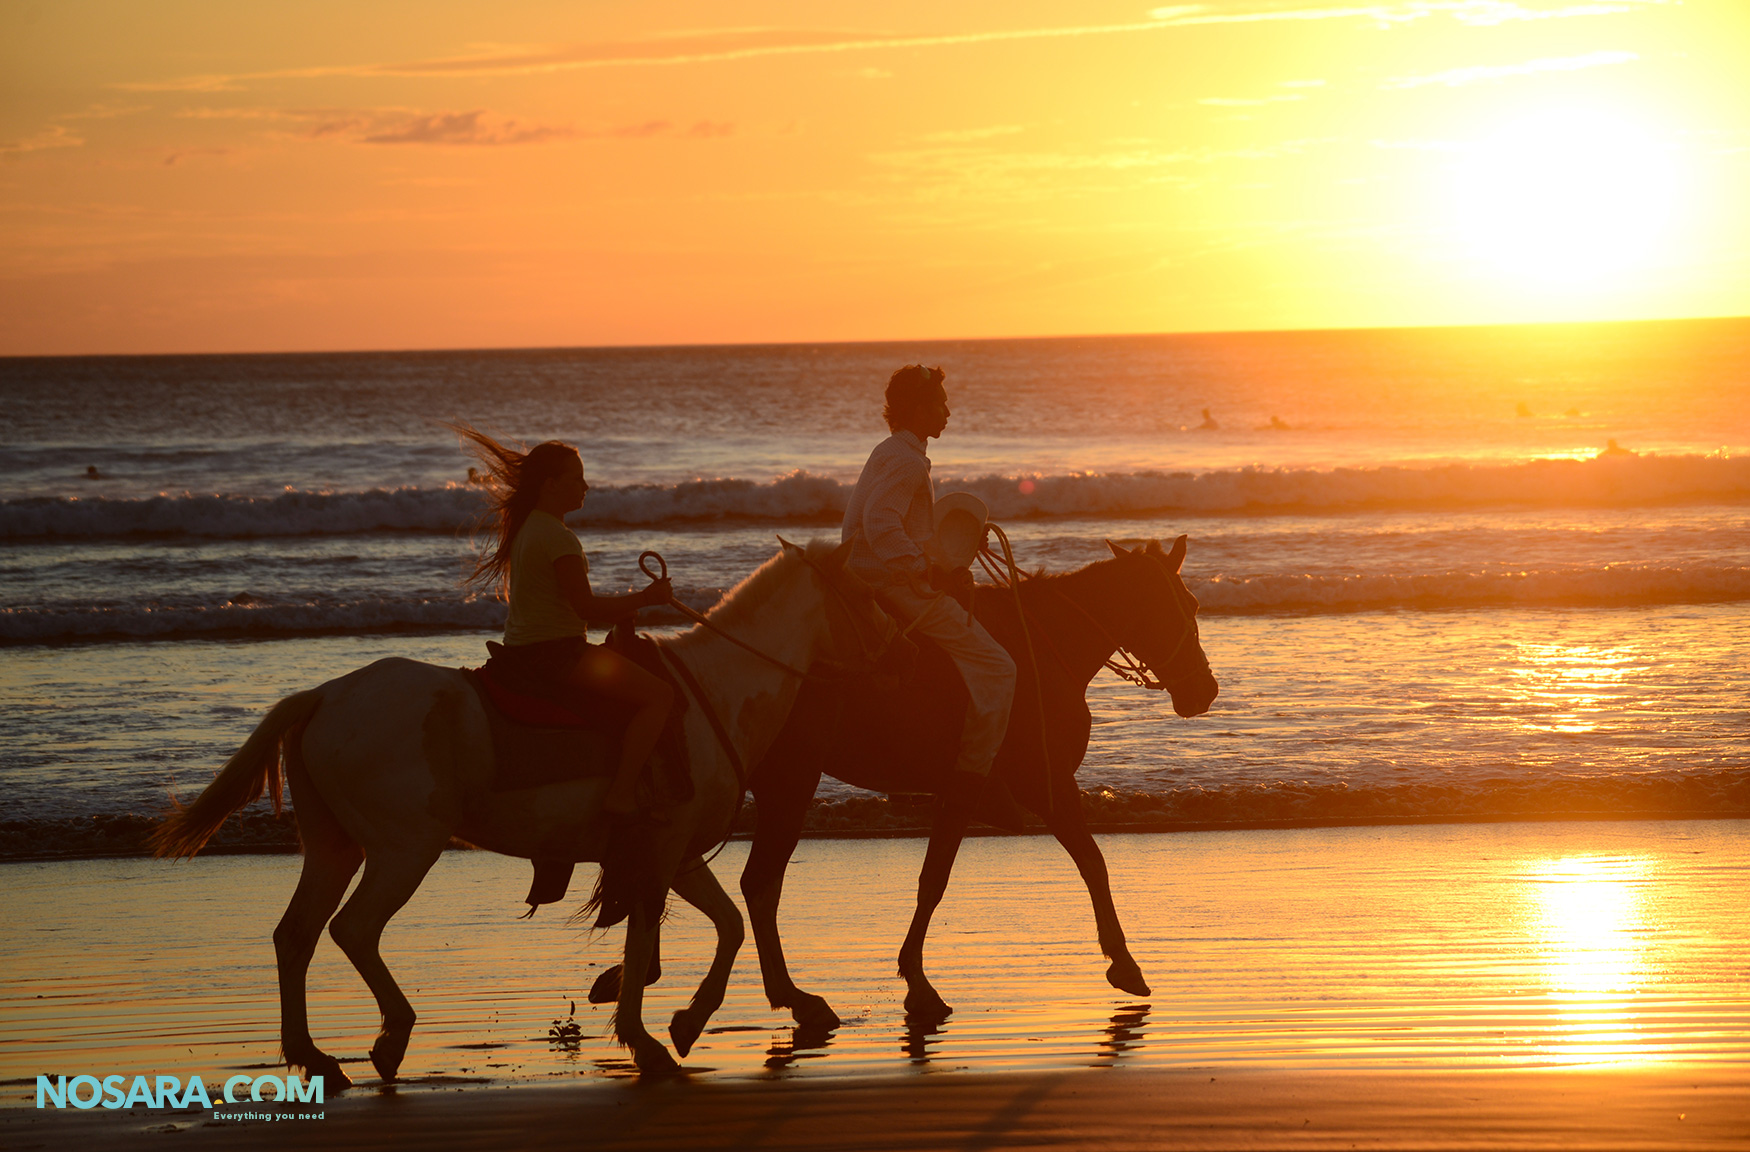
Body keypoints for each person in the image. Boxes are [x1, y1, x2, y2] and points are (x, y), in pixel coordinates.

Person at [454, 427, 673, 817]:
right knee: (661, 696)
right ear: (552, 485)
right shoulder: (557, 537)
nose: (586, 486)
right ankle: (622, 794)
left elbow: (562, 604)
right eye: (577, 478)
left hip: (523, 652)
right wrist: (647, 598)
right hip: (557, 655)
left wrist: (624, 609)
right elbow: (585, 608)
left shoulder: (528, 528)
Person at [842, 365, 1016, 791]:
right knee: (999, 667)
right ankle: (974, 774)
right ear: (919, 409)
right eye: (940, 404)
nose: (948, 412)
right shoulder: (906, 463)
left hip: (871, 574)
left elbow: (892, 524)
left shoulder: (892, 450)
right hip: (892, 583)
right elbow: (881, 523)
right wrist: (925, 568)